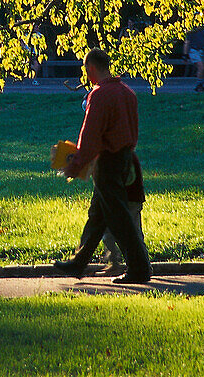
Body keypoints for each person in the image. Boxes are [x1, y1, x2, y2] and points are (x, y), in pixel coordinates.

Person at [54, 49, 152, 284]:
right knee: (98, 215)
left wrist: (76, 164)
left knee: (118, 217)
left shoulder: (98, 95)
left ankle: (139, 268)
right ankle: (78, 262)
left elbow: (90, 137)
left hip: (107, 160)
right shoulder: (127, 93)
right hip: (126, 157)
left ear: (90, 69)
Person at [183, 26, 204, 92]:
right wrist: (185, 54)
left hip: (202, 50)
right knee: (201, 67)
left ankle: (201, 84)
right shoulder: (191, 29)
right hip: (193, 50)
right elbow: (187, 42)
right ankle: (199, 85)